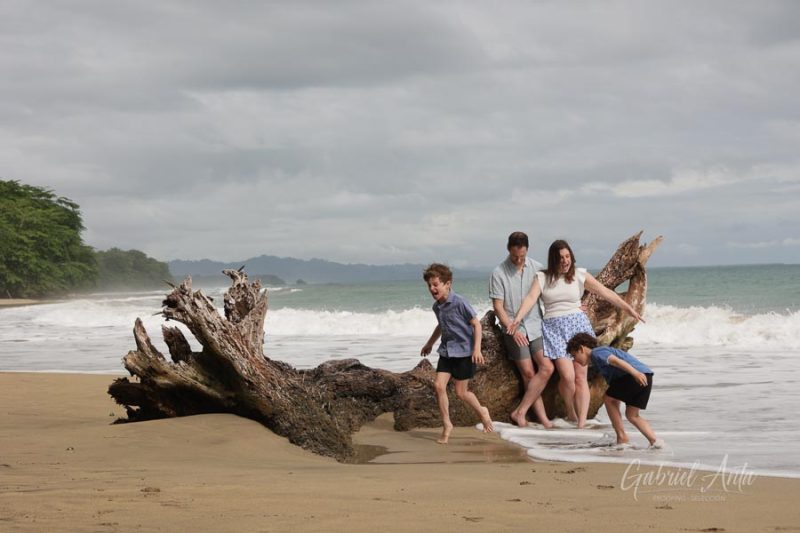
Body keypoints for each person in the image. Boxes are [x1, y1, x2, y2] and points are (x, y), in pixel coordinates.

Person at [509, 240, 643, 428]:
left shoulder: (580, 275)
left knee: (581, 377)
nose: (565, 261)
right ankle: (571, 412)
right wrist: (516, 320)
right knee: (568, 376)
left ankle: (581, 423)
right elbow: (531, 299)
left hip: (578, 327)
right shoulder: (542, 277)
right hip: (554, 329)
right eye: (560, 258)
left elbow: (604, 292)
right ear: (553, 259)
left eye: (567, 257)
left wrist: (628, 308)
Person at [420, 263, 494, 444]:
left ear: (448, 284)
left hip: (464, 352)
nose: (432, 288)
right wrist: (430, 343)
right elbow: (440, 325)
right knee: (439, 386)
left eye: (436, 284)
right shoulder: (436, 307)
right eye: (429, 285)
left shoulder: (460, 302)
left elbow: (476, 324)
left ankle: (482, 411)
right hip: (446, 351)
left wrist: (476, 349)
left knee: (461, 393)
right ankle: (447, 424)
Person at [489, 231, 553, 428]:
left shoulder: (538, 268)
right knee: (528, 372)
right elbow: (498, 307)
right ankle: (542, 420)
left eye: (522, 255)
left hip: (536, 325)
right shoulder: (498, 273)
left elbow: (548, 296)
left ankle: (520, 412)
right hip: (513, 329)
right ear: (509, 249)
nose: (518, 259)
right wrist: (512, 329)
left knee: (547, 368)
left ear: (527, 250)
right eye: (515, 255)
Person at [566, 332, 663, 448]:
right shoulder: (597, 359)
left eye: (574, 355)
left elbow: (616, 361)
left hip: (634, 375)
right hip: (646, 377)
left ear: (581, 349)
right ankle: (655, 442)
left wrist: (635, 373)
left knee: (608, 399)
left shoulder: (597, 353)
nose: (574, 360)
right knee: (632, 415)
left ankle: (622, 436)